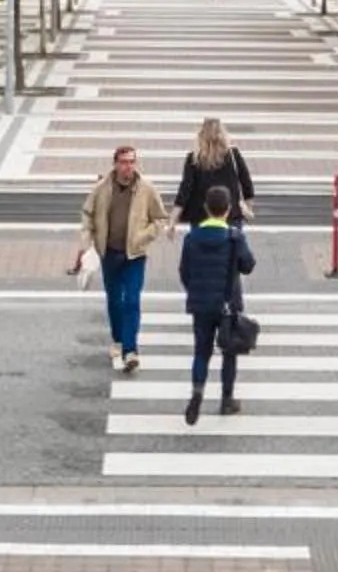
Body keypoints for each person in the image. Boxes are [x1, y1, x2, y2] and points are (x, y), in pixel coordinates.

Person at [71, 145, 169, 374]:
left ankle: (130, 351)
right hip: (110, 252)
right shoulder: (102, 188)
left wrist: (143, 236)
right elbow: (88, 215)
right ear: (115, 164)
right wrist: (85, 245)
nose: (128, 166)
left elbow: (160, 219)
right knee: (115, 300)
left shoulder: (146, 188)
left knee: (132, 300)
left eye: (132, 161)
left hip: (134, 255)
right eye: (124, 162)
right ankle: (117, 338)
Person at [179, 184, 255, 426]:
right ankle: (226, 400)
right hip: (227, 304)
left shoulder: (191, 238)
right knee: (229, 352)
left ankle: (197, 394)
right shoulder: (234, 237)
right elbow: (248, 265)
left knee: (201, 351)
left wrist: (195, 289)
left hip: (201, 303)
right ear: (228, 209)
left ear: (205, 208)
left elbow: (184, 271)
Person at [172, 117, 256, 235]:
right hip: (231, 217)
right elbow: (247, 185)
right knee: (233, 250)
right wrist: (247, 208)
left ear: (201, 135)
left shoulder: (194, 159)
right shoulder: (233, 155)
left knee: (201, 252)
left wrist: (173, 220)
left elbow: (184, 190)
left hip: (201, 219)